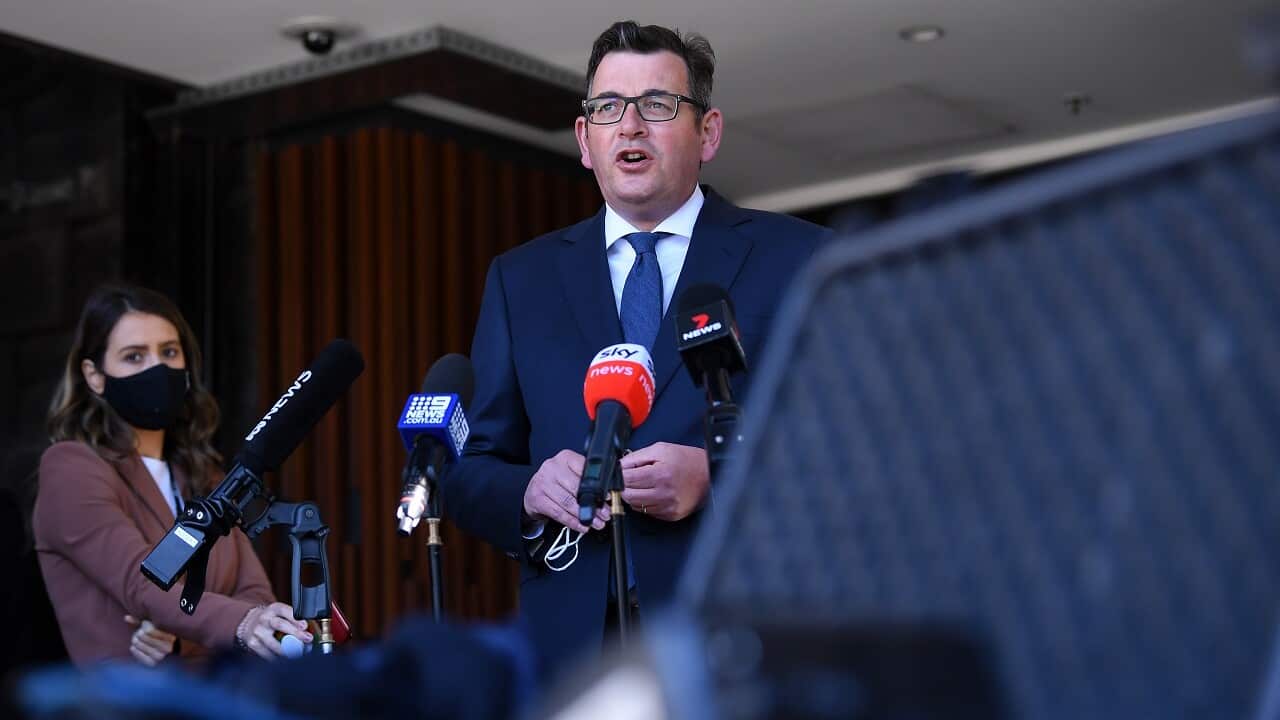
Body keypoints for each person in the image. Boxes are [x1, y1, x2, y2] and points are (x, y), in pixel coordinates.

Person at [440, 21, 829, 679]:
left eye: (657, 104)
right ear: (584, 140)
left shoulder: (797, 258)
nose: (630, 126)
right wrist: (530, 489)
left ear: (708, 133)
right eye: (608, 107)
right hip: (575, 652)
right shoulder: (521, 279)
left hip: (742, 637)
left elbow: (851, 443)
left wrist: (718, 475)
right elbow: (472, 467)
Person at [33, 284, 311, 666]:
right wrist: (238, 623)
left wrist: (183, 637)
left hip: (221, 690)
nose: (157, 369)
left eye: (169, 352)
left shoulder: (203, 476)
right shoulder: (71, 469)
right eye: (134, 356)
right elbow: (143, 582)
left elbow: (255, 596)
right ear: (94, 376)